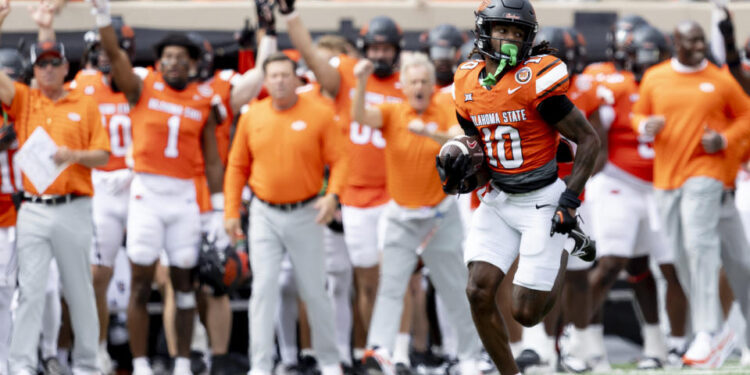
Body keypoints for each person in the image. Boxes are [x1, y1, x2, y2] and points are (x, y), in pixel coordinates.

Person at [443, 1, 600, 374]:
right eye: (503, 31)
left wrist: (570, 201)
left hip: (542, 200)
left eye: (517, 33)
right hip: (498, 199)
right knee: (477, 292)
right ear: (485, 31)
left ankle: (567, 238)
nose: (510, 39)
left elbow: (589, 140)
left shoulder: (536, 80)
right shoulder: (466, 81)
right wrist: (463, 172)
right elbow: (478, 147)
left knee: (526, 313)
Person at [89, 0, 225, 373]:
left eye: (182, 57)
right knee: (139, 284)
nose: (175, 62)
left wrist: (216, 209)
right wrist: (102, 18)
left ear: (193, 63)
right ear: (159, 61)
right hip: (146, 193)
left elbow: (212, 159)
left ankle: (182, 361)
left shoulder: (203, 99)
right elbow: (114, 54)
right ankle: (141, 363)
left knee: (184, 284)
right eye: (168, 56)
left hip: (183, 197)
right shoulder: (143, 88)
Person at [279, 3, 407, 361]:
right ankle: (353, 354)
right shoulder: (344, 76)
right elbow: (310, 56)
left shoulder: (407, 80)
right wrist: (292, 18)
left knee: (393, 281)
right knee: (349, 282)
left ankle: (397, 353)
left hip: (394, 194)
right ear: (364, 50)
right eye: (375, 48)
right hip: (346, 195)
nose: (380, 54)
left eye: (386, 48)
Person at [352, 52, 482, 375]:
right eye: (413, 82)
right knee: (391, 285)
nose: (419, 86)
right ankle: (381, 349)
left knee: (453, 286)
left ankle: (469, 355)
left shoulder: (443, 108)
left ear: (431, 84)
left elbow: (458, 138)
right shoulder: (392, 112)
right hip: (401, 215)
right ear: (404, 86)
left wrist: (428, 133)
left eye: (424, 80)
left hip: (439, 215)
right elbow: (358, 117)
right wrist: (360, 80)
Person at [632, 20, 750, 369]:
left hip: (708, 174)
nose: (700, 45)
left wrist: (724, 140)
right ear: (676, 42)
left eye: (702, 38)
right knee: (686, 255)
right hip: (667, 179)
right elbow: (639, 114)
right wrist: (643, 126)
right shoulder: (655, 76)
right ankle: (724, 333)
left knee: (700, 247)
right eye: (692, 40)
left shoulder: (721, 79)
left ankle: (707, 332)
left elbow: (746, 115)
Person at [0, 6, 110, 375]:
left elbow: (103, 154)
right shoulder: (25, 99)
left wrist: (73, 155)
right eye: (42, 64)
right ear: (35, 70)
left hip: (73, 207)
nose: (47, 69)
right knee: (29, 293)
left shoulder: (86, 103)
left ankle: (87, 365)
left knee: (79, 291)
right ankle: (20, 366)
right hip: (32, 207)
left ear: (66, 67)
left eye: (53, 63)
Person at [224, 52, 346, 375]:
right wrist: (231, 211)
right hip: (264, 212)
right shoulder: (252, 115)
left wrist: (333, 196)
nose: (279, 81)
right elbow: (237, 166)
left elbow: (341, 160)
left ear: (296, 78)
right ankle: (261, 365)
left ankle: (330, 361)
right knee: (263, 289)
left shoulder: (319, 113)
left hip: (306, 211)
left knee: (314, 290)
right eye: (273, 76)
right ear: (265, 81)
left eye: (284, 75)